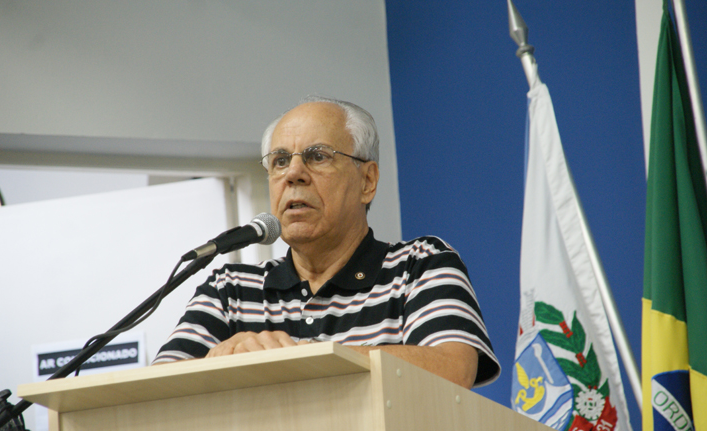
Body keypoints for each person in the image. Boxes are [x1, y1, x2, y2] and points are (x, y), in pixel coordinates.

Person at [153, 96, 500, 388]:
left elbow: (452, 369)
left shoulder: (421, 265)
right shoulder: (230, 289)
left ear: (367, 181)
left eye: (318, 156)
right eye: (280, 161)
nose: (293, 174)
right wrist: (221, 361)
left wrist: (299, 357)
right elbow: (159, 390)